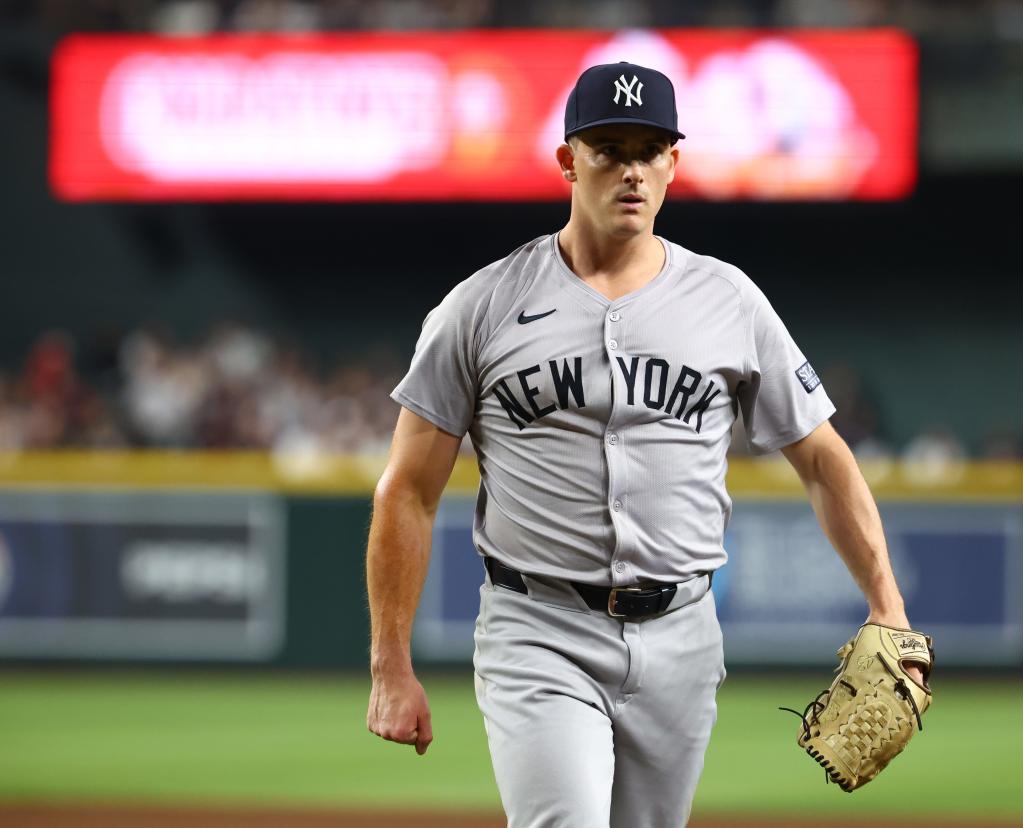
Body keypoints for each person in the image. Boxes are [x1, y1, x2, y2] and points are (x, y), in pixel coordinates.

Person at [365, 61, 923, 828]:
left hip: (683, 636)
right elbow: (407, 490)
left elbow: (824, 457)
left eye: (650, 149)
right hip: (539, 629)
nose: (631, 169)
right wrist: (389, 664)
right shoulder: (482, 305)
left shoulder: (728, 301)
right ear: (568, 159)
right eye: (609, 148)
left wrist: (886, 604)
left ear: (673, 164)